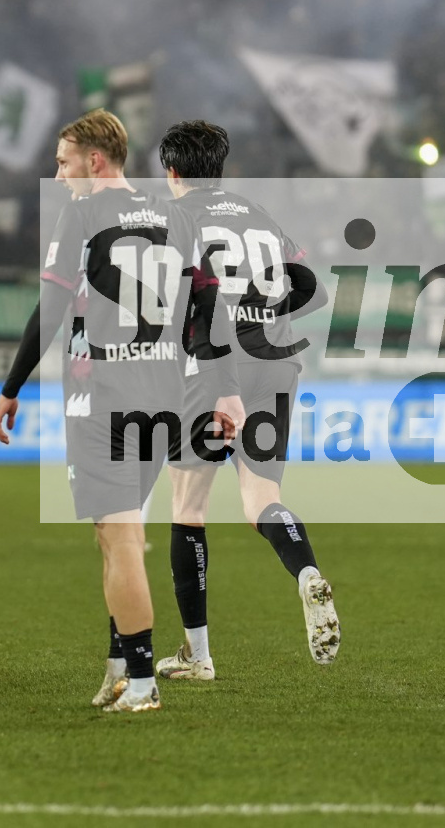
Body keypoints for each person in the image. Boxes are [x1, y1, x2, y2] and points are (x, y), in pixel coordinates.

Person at [0, 109, 187, 714]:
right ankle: (120, 669)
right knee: (118, 536)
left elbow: (50, 308)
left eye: (63, 162)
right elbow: (203, 307)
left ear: (94, 161)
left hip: (104, 396)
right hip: (164, 396)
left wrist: (11, 386)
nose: (58, 174)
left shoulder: (81, 214)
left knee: (119, 537)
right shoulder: (171, 215)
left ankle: (144, 683)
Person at [152, 119, 339, 680]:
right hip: (276, 365)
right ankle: (307, 573)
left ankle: (199, 656)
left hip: (213, 368)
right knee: (261, 500)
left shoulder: (175, 218)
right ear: (221, 168)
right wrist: (261, 317)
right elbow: (313, 289)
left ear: (172, 171)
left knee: (188, 507)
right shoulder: (257, 214)